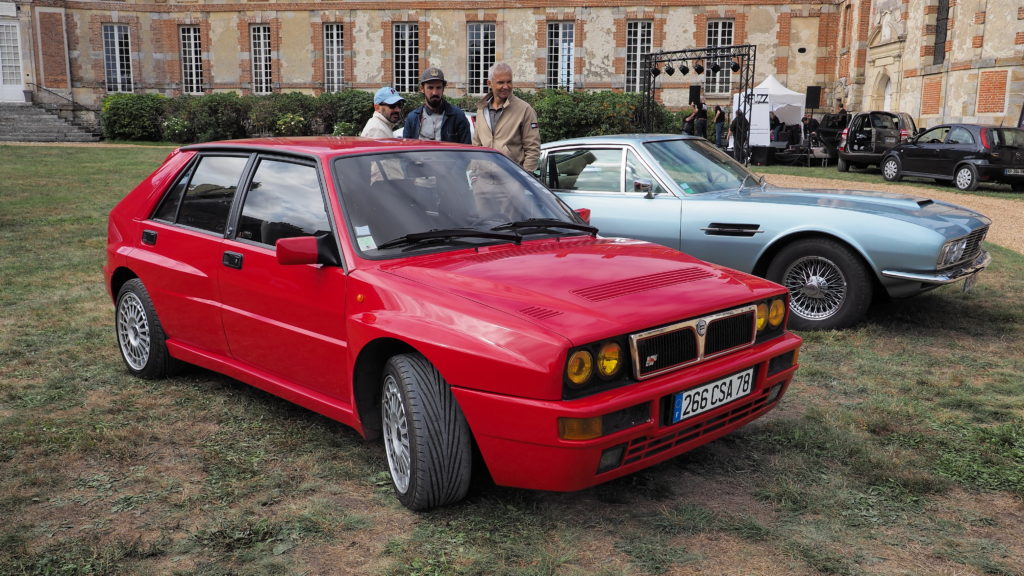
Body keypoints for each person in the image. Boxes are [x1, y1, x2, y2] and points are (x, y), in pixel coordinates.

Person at [473, 62, 541, 171]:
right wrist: (474, 176)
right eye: (500, 82)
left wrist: (525, 179)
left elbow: (533, 149)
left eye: (509, 82)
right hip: (483, 181)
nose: (506, 86)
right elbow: (476, 146)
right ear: (489, 83)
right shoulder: (481, 110)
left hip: (512, 181)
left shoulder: (525, 109)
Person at [403, 67, 472, 144]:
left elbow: (466, 150)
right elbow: (406, 150)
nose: (435, 92)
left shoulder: (458, 116)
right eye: (430, 88)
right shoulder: (413, 118)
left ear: (443, 89)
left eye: (438, 87)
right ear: (422, 89)